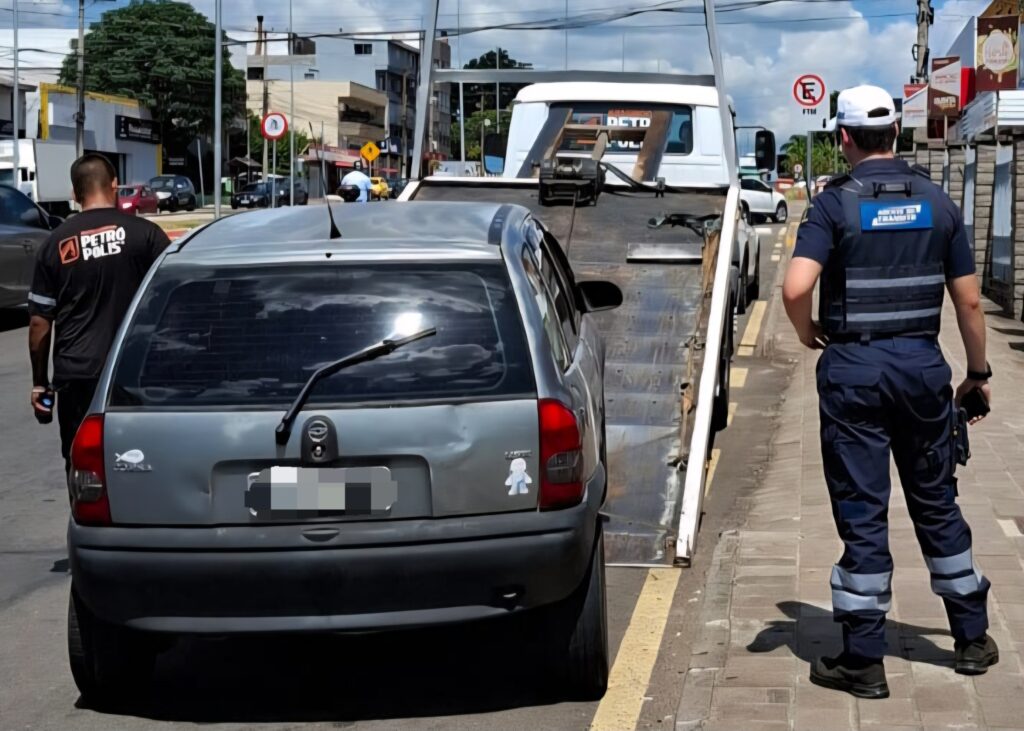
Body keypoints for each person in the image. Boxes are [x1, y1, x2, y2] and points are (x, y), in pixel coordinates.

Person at [782, 85, 996, 699]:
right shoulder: (938, 202)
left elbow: (796, 288)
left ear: (843, 138)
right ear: (897, 134)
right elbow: (970, 302)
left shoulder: (833, 205)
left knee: (863, 511)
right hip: (922, 370)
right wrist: (977, 375)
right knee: (937, 502)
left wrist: (807, 332)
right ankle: (971, 640)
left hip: (853, 371)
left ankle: (863, 660)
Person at [27, 154, 171, 472]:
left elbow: (39, 323)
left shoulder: (54, 244)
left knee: (82, 463)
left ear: (74, 194)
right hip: (134, 370)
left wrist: (40, 384)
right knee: (139, 462)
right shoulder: (147, 235)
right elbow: (173, 302)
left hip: (77, 373)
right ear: (115, 185)